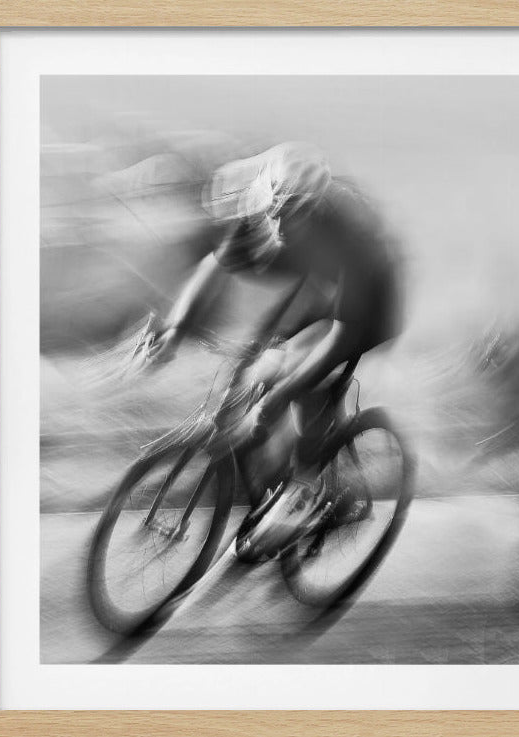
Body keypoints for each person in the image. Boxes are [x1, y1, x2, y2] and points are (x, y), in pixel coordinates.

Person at [147, 141, 404, 544]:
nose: (281, 226)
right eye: (276, 214)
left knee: (300, 379)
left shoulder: (349, 238)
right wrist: (176, 329)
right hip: (319, 289)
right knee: (256, 366)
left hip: (371, 300)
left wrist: (282, 395)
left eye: (294, 218)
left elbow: (341, 337)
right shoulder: (263, 208)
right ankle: (270, 482)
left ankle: (310, 489)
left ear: (316, 212)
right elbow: (213, 268)